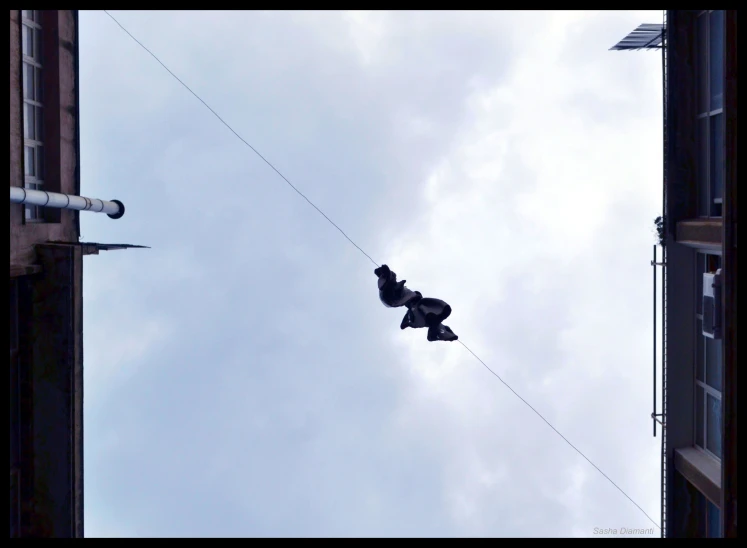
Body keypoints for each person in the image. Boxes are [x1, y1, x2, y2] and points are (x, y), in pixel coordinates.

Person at [374, 264, 458, 342]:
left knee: (439, 312)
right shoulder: (393, 293)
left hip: (417, 307)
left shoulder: (418, 308)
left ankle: (436, 334)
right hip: (415, 306)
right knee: (441, 310)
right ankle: (436, 333)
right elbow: (388, 288)